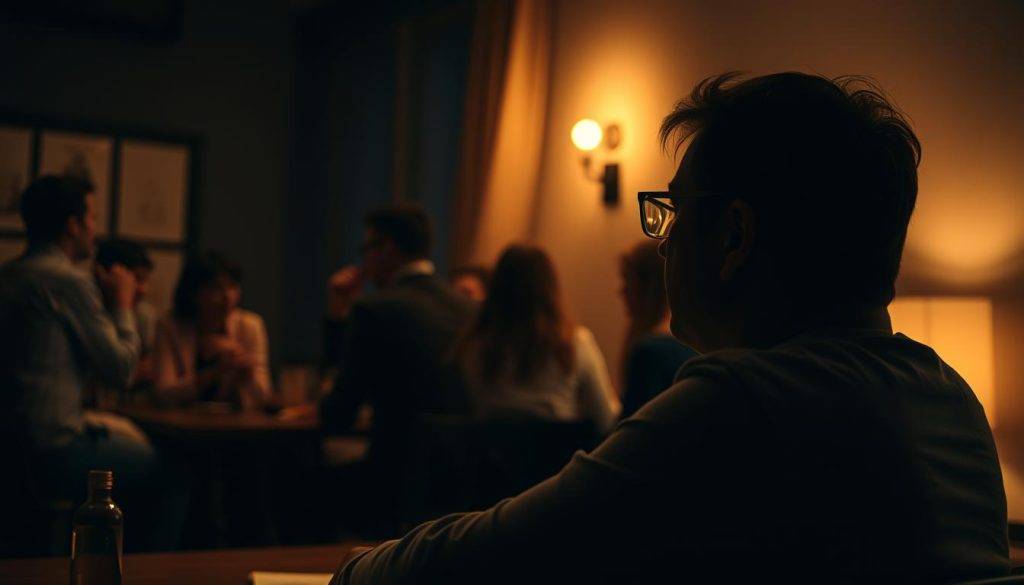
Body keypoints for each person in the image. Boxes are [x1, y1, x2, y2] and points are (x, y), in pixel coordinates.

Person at [330, 73, 1009, 583]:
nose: (661, 243)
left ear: (734, 234)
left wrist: (353, 573)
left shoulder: (742, 401)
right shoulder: (951, 401)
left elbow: (489, 559)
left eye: (672, 211)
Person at [0, 175, 185, 552]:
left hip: (11, 447)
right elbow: (121, 370)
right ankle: (148, 572)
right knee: (175, 468)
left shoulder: (10, 276)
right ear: (73, 224)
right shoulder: (67, 281)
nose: (94, 230)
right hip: (53, 447)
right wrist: (122, 302)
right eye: (92, 218)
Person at [319, 202, 475, 533]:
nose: (364, 258)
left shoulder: (374, 309)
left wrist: (337, 315)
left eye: (367, 247)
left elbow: (339, 413)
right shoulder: (469, 309)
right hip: (466, 479)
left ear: (387, 248)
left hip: (396, 479)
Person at [457, 245, 619, 434]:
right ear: (550, 289)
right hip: (558, 460)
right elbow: (605, 419)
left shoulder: (475, 344)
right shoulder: (573, 343)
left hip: (489, 459)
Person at [152, 251, 271, 410]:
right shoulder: (170, 327)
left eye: (232, 286)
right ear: (194, 292)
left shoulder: (250, 326)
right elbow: (163, 395)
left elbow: (263, 397)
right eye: (216, 287)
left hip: (234, 426)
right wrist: (213, 373)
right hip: (181, 424)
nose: (227, 296)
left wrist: (247, 372)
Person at [618, 240, 696, 418]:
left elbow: (633, 431)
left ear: (648, 286)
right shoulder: (692, 342)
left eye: (627, 280)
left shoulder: (650, 351)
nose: (621, 290)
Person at [95, 238, 158, 390]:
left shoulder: (144, 314)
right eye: (137, 279)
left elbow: (152, 367)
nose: (144, 289)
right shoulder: (90, 309)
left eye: (145, 280)